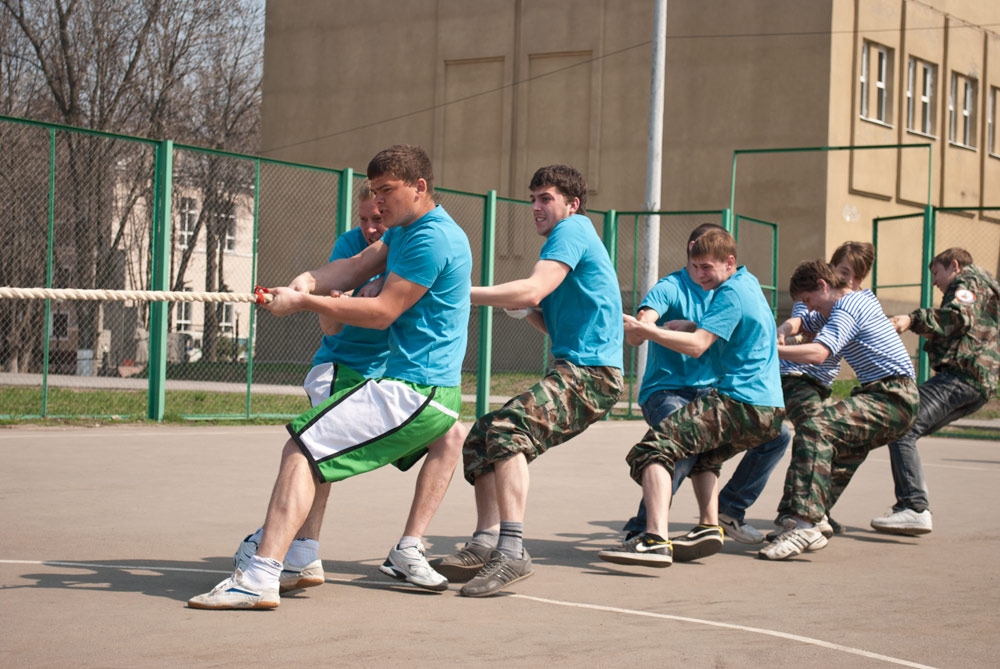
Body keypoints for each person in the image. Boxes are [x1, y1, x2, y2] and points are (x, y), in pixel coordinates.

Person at [188, 144, 473, 609]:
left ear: (420, 188)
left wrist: (304, 303)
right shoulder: (405, 231)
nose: (377, 204)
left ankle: (260, 575)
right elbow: (357, 266)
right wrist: (308, 280)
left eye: (387, 192)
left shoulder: (431, 238)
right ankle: (296, 556)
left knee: (301, 448)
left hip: (417, 392)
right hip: (418, 391)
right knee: (312, 451)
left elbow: (382, 311)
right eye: (374, 192)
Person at [435, 164, 624, 598]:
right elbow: (549, 316)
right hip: (574, 366)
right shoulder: (569, 241)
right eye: (532, 198)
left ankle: (513, 550)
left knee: (507, 429)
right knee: (482, 436)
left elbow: (530, 289)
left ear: (571, 204)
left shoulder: (572, 230)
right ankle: (486, 542)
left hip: (592, 374)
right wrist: (530, 314)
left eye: (546, 199)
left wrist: (456, 292)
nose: (535, 207)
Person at [599, 228, 784, 568]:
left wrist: (650, 332)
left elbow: (700, 345)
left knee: (656, 449)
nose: (700, 275)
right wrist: (668, 324)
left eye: (707, 268)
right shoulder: (749, 284)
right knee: (705, 454)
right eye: (695, 266)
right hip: (768, 409)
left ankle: (652, 536)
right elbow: (729, 327)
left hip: (739, 401)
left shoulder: (728, 294)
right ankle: (708, 527)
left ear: (729, 262)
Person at [760, 259, 917, 561]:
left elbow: (818, 354)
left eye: (808, 300)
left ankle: (805, 526)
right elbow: (803, 323)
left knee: (816, 429)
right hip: (885, 395)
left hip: (893, 396)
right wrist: (782, 328)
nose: (809, 308)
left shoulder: (848, 307)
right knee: (840, 455)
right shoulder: (837, 307)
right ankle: (810, 520)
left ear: (823, 285)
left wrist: (769, 349)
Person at [870, 248, 1000, 535]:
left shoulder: (968, 281)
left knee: (902, 425)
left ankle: (914, 507)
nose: (935, 283)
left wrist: (912, 319)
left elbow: (958, 317)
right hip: (979, 383)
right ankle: (913, 506)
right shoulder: (989, 287)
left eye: (937, 274)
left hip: (962, 377)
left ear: (953, 265)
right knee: (907, 427)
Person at [769, 241, 876, 540]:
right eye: (843, 271)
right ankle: (798, 515)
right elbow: (801, 320)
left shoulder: (851, 304)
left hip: (821, 383)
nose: (849, 280)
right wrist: (781, 334)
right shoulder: (816, 296)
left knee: (831, 441)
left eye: (855, 276)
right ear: (829, 273)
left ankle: (812, 509)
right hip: (797, 375)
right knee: (814, 433)